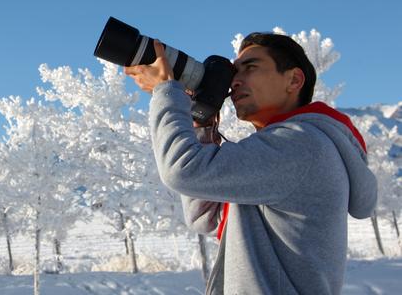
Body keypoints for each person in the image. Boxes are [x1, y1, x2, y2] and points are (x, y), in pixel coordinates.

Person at [125, 33, 377, 295]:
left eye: (250, 68)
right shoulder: (285, 150)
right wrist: (202, 124)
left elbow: (181, 171)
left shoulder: (300, 145)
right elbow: (204, 216)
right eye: (234, 72)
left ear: (294, 80)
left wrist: (166, 90)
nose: (234, 81)